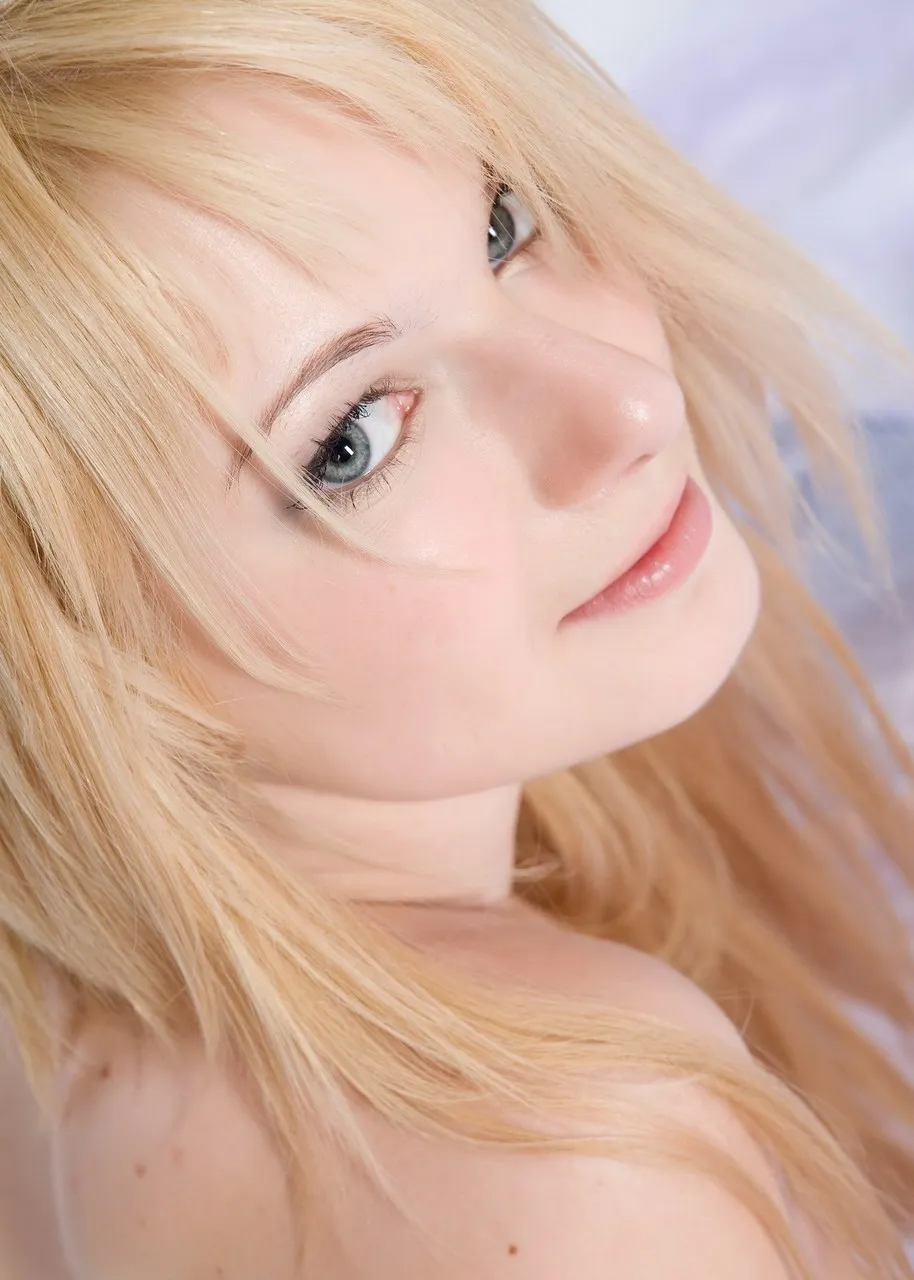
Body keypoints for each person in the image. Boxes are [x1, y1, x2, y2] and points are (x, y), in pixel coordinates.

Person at [1, 1, 913, 1276]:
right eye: (352, 440)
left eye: (501, 225)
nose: (630, 407)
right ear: (67, 662)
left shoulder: (71, 1031)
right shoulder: (564, 1162)